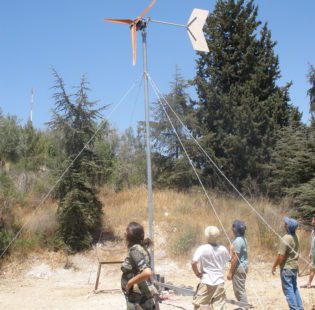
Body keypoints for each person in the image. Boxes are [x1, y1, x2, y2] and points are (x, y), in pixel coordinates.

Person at [191, 226, 230, 309]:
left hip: (206, 281)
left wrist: (197, 274)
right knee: (219, 307)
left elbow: (194, 262)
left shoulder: (202, 248)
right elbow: (229, 260)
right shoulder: (223, 249)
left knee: (199, 305)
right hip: (219, 281)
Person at [121, 222, 156, 310]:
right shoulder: (140, 248)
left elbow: (147, 272)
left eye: (126, 232)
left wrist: (129, 283)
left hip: (138, 296)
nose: (124, 234)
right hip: (138, 294)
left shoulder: (135, 250)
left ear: (130, 235)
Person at [272, 217, 304, 310]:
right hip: (294, 267)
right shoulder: (296, 236)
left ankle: (294, 308)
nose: (284, 224)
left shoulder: (286, 238)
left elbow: (280, 256)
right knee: (294, 288)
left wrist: (274, 266)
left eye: (286, 223)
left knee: (288, 289)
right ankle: (300, 307)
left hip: (287, 268)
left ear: (288, 226)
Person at [227, 220, 249, 308]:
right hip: (243, 266)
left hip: (239, 268)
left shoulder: (238, 241)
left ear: (235, 230)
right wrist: (231, 250)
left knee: (239, 291)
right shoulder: (243, 239)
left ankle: (245, 307)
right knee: (240, 289)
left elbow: (235, 258)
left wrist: (230, 272)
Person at [305, 217, 315, 288]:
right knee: (312, 268)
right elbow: (312, 244)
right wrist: (310, 253)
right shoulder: (313, 231)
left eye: (313, 219)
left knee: (312, 268)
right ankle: (309, 283)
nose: (312, 220)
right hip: (313, 253)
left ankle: (309, 283)